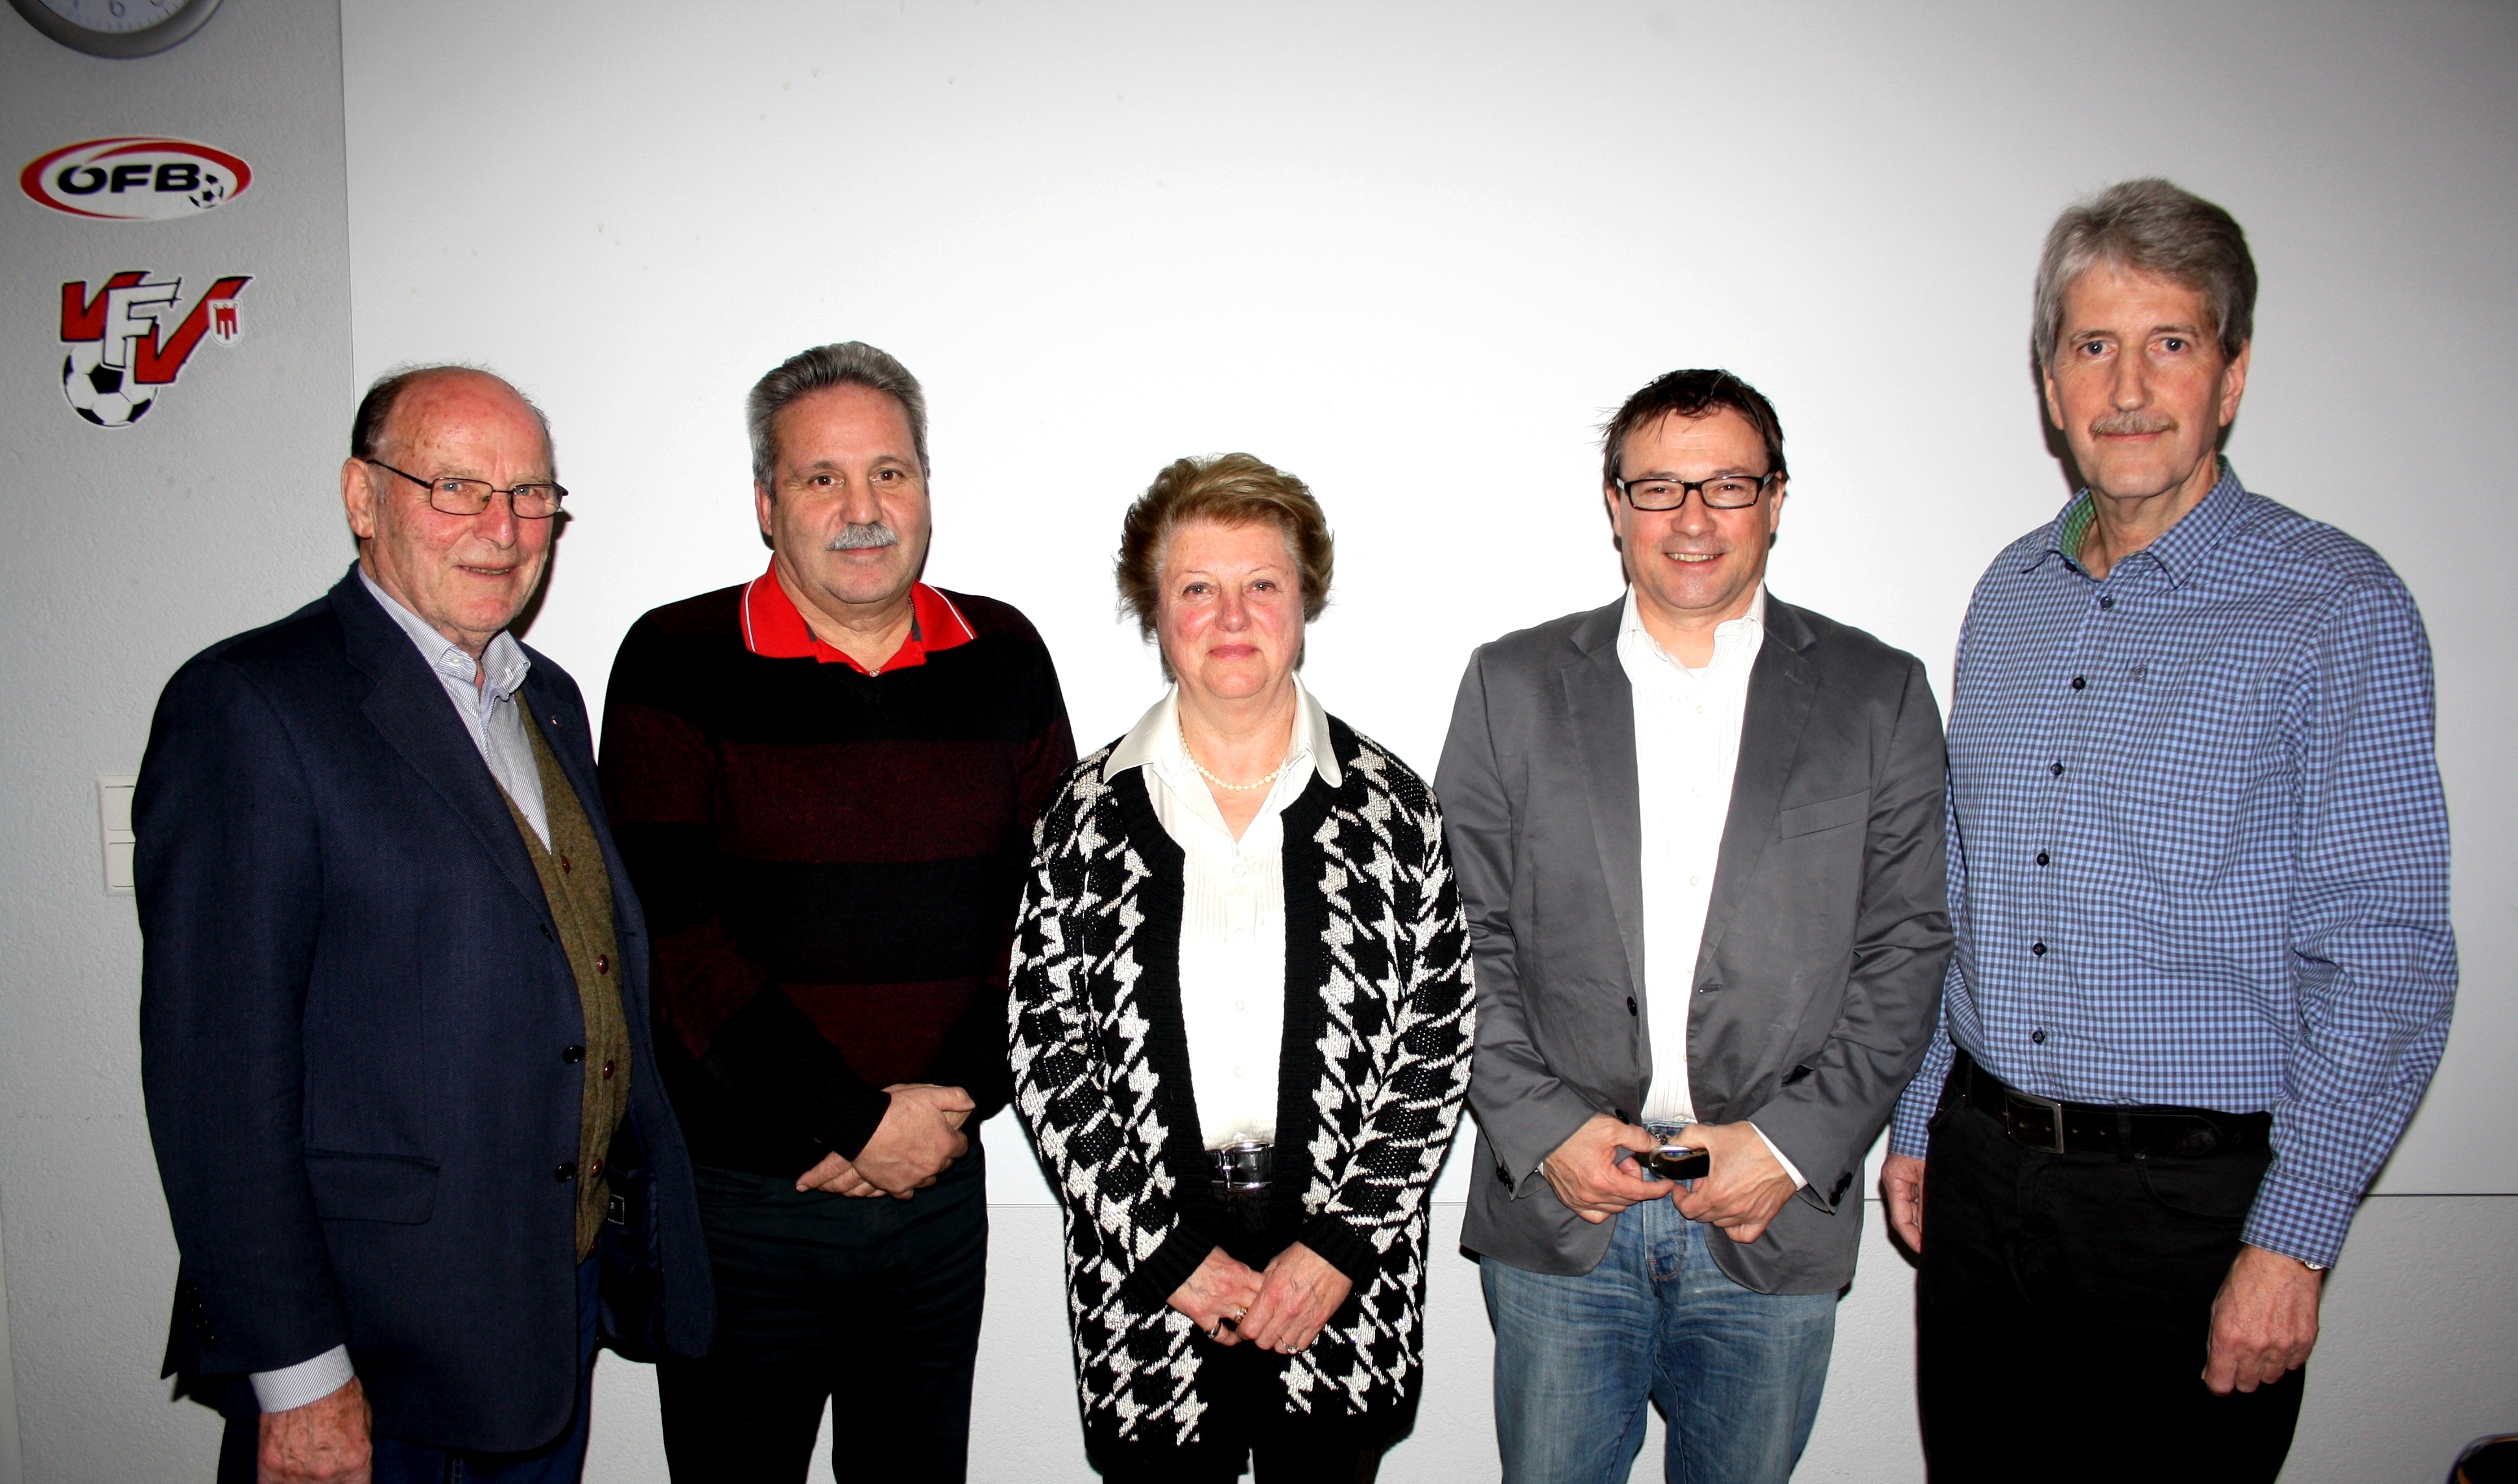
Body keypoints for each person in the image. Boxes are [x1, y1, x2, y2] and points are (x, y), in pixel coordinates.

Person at [1881, 178, 2457, 1483]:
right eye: (2094, 345)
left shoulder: (2333, 606)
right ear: (2050, 385)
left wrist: (2292, 1240)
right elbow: (1964, 889)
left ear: (2232, 375)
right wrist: (1920, 1118)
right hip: (1983, 1176)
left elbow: (2388, 953)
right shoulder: (2008, 595)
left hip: (2189, 1213)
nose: (2129, 387)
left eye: (2171, 343)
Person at [136, 366, 714, 1484]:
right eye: (456, 488)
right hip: (367, 1344)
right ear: (364, 498)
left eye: (530, 494)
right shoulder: (252, 702)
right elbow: (216, 1080)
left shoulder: (546, 698)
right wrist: (297, 1375)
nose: (503, 528)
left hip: (543, 1304)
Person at [1438, 369, 1952, 1483]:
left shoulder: (1879, 694)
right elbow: (1459, 934)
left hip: (1769, 1211)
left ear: (1775, 499)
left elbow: (1907, 946)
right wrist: (1546, 1129)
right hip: (1562, 1208)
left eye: (1726, 484)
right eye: (1659, 487)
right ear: (1614, 504)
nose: (1692, 518)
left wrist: (1788, 1148)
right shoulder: (1509, 686)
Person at [599, 341, 1073, 1482]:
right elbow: (673, 939)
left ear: (925, 489)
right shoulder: (675, 658)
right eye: (822, 478)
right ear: (767, 504)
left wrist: (942, 1111)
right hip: (745, 1206)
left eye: (889, 473)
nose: (863, 509)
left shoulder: (1005, 652)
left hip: (938, 1189)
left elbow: (1053, 914)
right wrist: (858, 1123)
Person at [1009, 453, 1476, 1482]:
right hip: (1146, 1284)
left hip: (1341, 1281)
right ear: (1154, 611)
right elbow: (1048, 1057)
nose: (1231, 616)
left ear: (1303, 602)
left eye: (1261, 583)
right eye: (1197, 588)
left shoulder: (1393, 810)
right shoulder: (1080, 818)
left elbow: (1435, 1049)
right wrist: (1167, 1257)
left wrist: (1339, 1247)